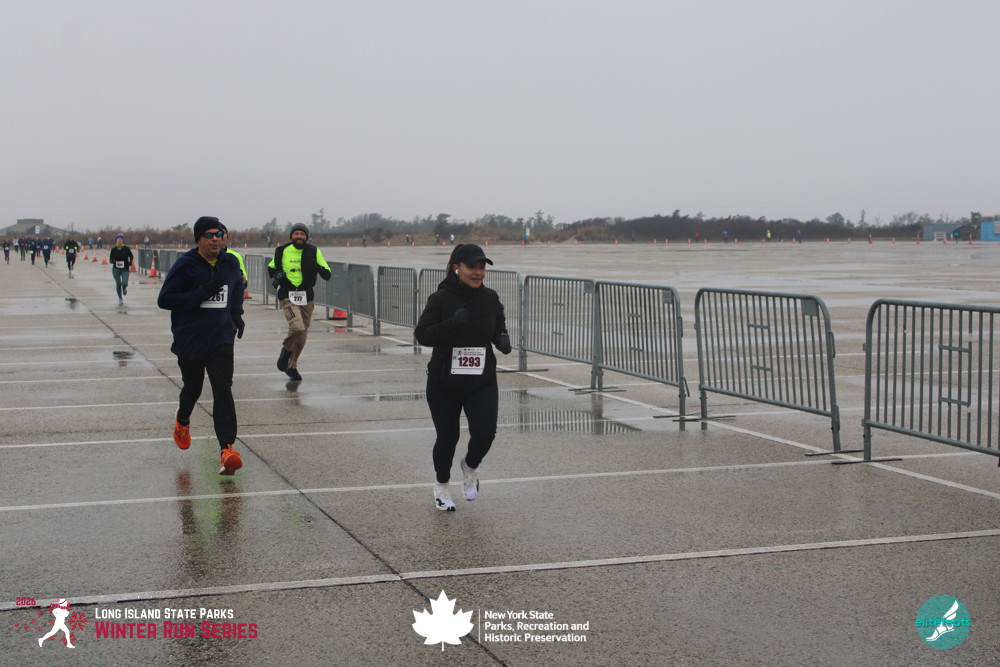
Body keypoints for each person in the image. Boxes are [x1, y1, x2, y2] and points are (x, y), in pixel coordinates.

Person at [414, 243, 512, 511]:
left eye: (482, 267)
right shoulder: (440, 299)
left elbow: (498, 324)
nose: (478, 272)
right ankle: (442, 486)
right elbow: (422, 335)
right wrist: (452, 323)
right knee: (448, 437)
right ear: (457, 268)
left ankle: (470, 466)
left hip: (481, 380)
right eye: (472, 267)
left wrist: (501, 338)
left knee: (485, 433)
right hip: (444, 381)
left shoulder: (490, 297)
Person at [157, 216, 245, 476]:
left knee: (223, 389)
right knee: (192, 389)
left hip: (221, 339)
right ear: (198, 239)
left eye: (219, 234)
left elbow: (237, 286)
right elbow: (165, 299)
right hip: (190, 339)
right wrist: (201, 293)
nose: (215, 239)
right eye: (209, 235)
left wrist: (236, 315)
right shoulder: (186, 265)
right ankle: (182, 419)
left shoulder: (230, 263)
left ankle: (227, 449)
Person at [267, 223, 331, 382]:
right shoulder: (281, 251)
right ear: (291, 236)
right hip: (287, 297)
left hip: (306, 298)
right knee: (297, 327)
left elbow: (327, 274)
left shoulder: (313, 251)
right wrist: (277, 276)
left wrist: (316, 266)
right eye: (296, 234)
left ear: (307, 237)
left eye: (302, 234)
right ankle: (285, 352)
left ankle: (292, 366)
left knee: (302, 335)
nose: (299, 237)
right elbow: (271, 269)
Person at [108, 233, 134, 305]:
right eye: (118, 239)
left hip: (125, 269)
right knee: (118, 284)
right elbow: (110, 259)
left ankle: (124, 288)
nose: (119, 240)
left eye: (121, 239)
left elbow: (131, 256)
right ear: (116, 240)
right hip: (116, 269)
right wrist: (112, 261)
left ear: (122, 240)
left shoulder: (126, 249)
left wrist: (130, 262)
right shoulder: (113, 250)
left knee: (124, 283)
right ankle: (120, 298)